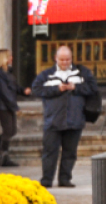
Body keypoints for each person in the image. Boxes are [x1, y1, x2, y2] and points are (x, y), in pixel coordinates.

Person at [33, 45, 99, 187]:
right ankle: (47, 180)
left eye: (67, 59)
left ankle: (65, 179)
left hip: (75, 119)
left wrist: (76, 88)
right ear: (56, 58)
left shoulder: (82, 73)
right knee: (49, 152)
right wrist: (57, 89)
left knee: (70, 152)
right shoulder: (46, 74)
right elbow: (36, 89)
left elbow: (93, 88)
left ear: (71, 59)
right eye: (62, 59)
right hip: (53, 120)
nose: (64, 62)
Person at [0, 48, 19, 167]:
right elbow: (4, 93)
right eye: (9, 56)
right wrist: (13, 106)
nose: (11, 58)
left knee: (11, 131)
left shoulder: (8, 72)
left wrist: (24, 90)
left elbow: (13, 88)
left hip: (8, 105)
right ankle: (3, 156)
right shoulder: (0, 74)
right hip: (3, 106)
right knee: (9, 131)